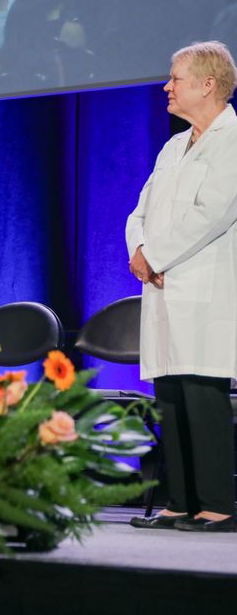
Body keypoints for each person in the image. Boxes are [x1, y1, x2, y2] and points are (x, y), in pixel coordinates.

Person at [126, 42, 237, 532]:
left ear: (208, 84)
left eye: (176, 78)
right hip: (163, 284)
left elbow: (212, 213)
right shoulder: (174, 145)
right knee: (170, 393)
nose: (166, 87)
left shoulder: (233, 140)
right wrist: (139, 251)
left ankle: (217, 504)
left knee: (202, 392)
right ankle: (179, 501)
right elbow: (140, 209)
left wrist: (155, 255)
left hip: (204, 283)